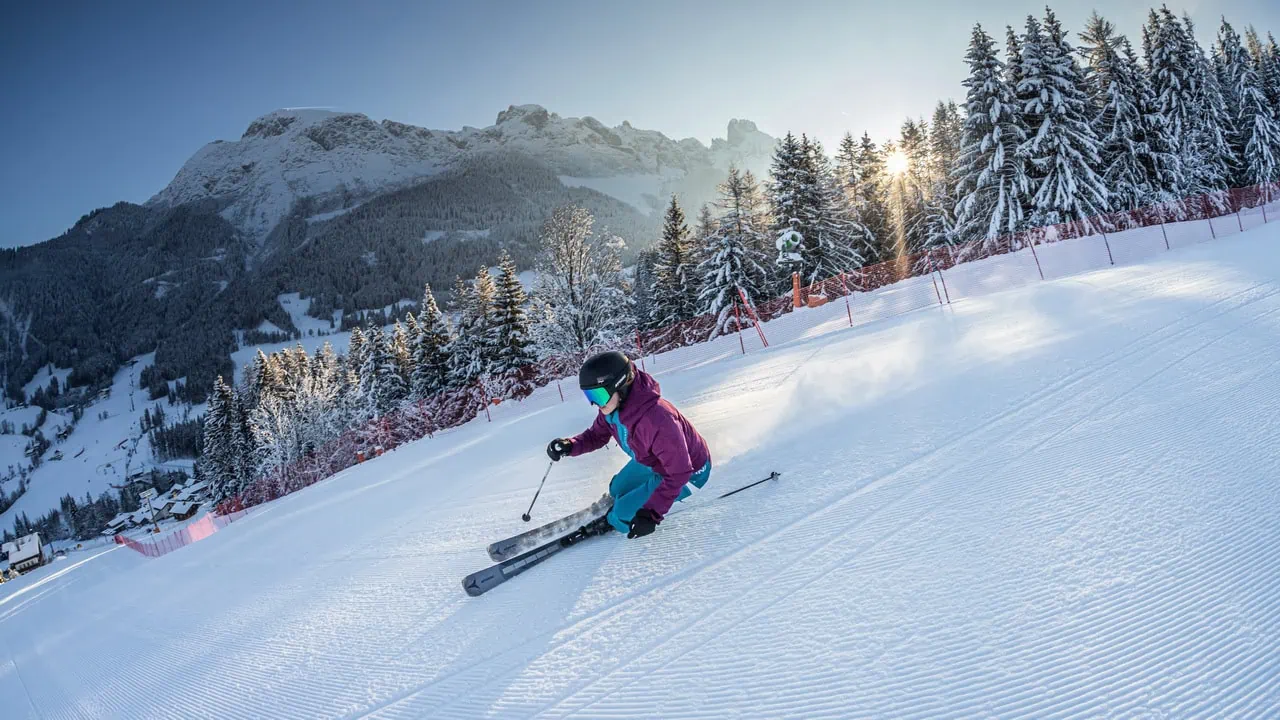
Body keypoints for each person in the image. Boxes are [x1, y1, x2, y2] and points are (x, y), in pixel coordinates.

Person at [547, 351, 711, 539]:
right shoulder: (613, 409)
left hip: (689, 474)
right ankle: (619, 505)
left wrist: (652, 514)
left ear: (620, 385)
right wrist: (571, 445)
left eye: (598, 395)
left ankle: (614, 520)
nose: (594, 403)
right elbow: (596, 435)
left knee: (622, 515)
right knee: (617, 489)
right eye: (589, 396)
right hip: (655, 463)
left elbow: (679, 472)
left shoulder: (658, 420)